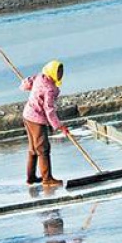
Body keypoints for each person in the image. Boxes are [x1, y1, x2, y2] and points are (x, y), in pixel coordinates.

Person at [21, 59, 69, 187]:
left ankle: (30, 178)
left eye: (61, 72)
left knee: (33, 149)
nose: (60, 74)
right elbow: (49, 110)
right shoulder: (49, 89)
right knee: (43, 149)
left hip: (27, 115)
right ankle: (47, 179)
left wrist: (30, 85)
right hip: (36, 119)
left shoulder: (39, 77)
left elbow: (26, 84)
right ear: (52, 72)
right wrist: (59, 126)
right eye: (58, 72)